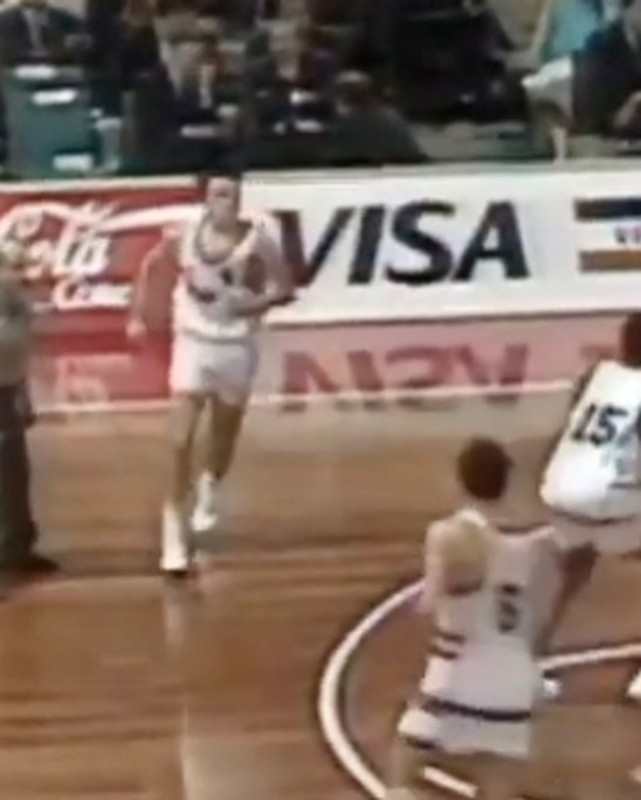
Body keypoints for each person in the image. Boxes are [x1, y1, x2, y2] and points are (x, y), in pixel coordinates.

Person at [127, 168, 294, 578]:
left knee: (223, 434)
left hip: (236, 345)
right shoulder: (184, 235)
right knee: (179, 439)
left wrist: (253, 305)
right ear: (205, 198)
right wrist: (139, 314)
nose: (228, 203)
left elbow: (284, 288)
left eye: (233, 195)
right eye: (220, 194)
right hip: (193, 342)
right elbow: (152, 267)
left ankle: (211, 483)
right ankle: (172, 530)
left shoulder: (258, 240)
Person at [387, 439, 561, 800]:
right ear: (506, 483)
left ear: (459, 480)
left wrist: (421, 600)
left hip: (461, 671)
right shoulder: (534, 544)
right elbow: (541, 615)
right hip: (516, 677)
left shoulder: (450, 535)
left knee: (403, 771)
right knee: (498, 786)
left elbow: (429, 602)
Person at [0, 239, 57, 578]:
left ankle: (17, 546)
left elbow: (18, 354)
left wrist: (23, 395)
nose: (21, 275)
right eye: (14, 267)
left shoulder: (19, 304)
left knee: (15, 470)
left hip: (7, 390)